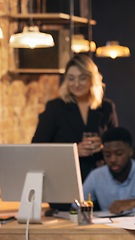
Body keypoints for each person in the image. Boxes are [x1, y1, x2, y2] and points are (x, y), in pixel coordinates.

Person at [32, 54, 118, 182]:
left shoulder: (106, 107)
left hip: (99, 180)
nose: (76, 84)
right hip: (64, 179)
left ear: (91, 79)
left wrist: (102, 146)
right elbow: (37, 148)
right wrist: (73, 152)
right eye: (71, 79)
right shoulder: (55, 107)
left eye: (82, 78)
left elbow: (117, 145)